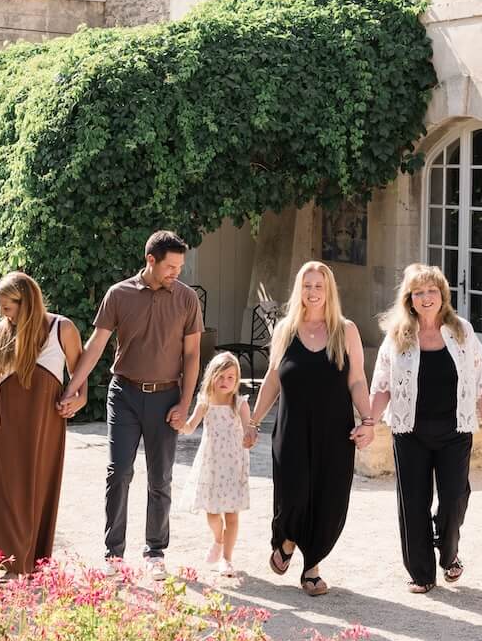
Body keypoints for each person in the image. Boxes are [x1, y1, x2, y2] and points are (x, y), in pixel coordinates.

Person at [61, 231, 204, 579]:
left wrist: (185, 403)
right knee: (119, 471)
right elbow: (96, 345)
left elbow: (192, 354)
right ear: (150, 260)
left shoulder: (187, 299)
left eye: (180, 267)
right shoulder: (119, 294)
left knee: (161, 477)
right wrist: (71, 389)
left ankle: (155, 552)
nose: (176, 273)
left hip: (167, 397)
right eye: (170, 267)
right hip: (124, 394)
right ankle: (114, 554)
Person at [368, 264, 482, 594]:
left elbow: (481, 384)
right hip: (410, 432)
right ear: (409, 299)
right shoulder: (397, 336)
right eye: (418, 292)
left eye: (432, 290)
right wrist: (368, 423)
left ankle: (448, 552)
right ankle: (421, 574)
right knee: (413, 503)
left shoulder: (462, 332)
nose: (426, 297)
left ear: (442, 295)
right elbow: (383, 385)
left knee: (455, 499)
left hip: (454, 432)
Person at [252, 260, 373, 597]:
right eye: (307, 285)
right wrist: (253, 421)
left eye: (319, 285)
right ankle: (288, 539)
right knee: (294, 494)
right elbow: (272, 380)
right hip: (291, 431)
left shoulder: (345, 330)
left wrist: (368, 421)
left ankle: (312, 567)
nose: (313, 292)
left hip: (334, 433)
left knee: (327, 497)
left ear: (329, 290)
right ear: (299, 290)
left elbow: (357, 379)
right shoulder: (285, 330)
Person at [0, 272, 86, 576]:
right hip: (6, 421)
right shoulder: (1, 332)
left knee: (37, 487)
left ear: (27, 302)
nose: (3, 313)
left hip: (44, 424)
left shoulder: (62, 328)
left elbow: (80, 372)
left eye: (7, 307)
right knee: (2, 491)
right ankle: (5, 564)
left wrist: (80, 398)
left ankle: (29, 563)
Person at [180, 351, 254, 579]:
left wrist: (250, 435)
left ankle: (227, 559)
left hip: (233, 466)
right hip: (211, 465)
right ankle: (218, 539)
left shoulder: (239, 404)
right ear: (211, 376)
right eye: (220, 376)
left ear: (237, 380)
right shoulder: (205, 402)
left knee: (232, 515)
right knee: (212, 513)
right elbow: (190, 427)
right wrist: (178, 423)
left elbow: (248, 428)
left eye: (230, 377)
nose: (225, 381)